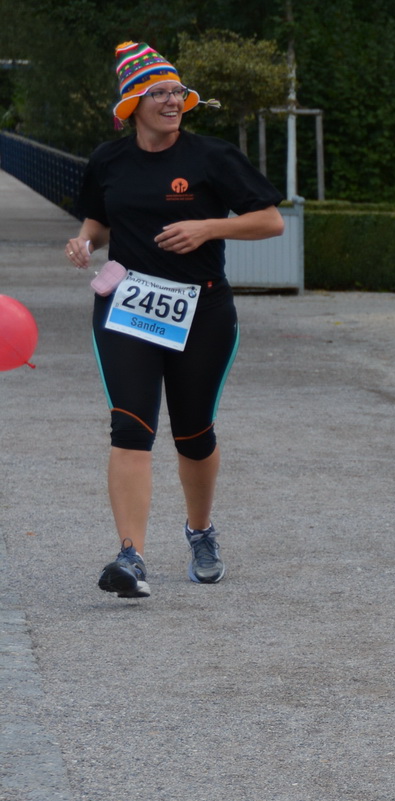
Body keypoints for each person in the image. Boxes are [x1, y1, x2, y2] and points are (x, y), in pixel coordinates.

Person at [69, 40, 284, 598]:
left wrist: (209, 228)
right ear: (132, 103)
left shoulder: (211, 156)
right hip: (128, 306)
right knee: (130, 426)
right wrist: (84, 241)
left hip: (202, 310)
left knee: (193, 433)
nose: (171, 101)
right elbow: (97, 216)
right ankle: (130, 557)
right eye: (158, 92)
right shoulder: (108, 160)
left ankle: (201, 531)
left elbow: (269, 221)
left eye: (176, 92)